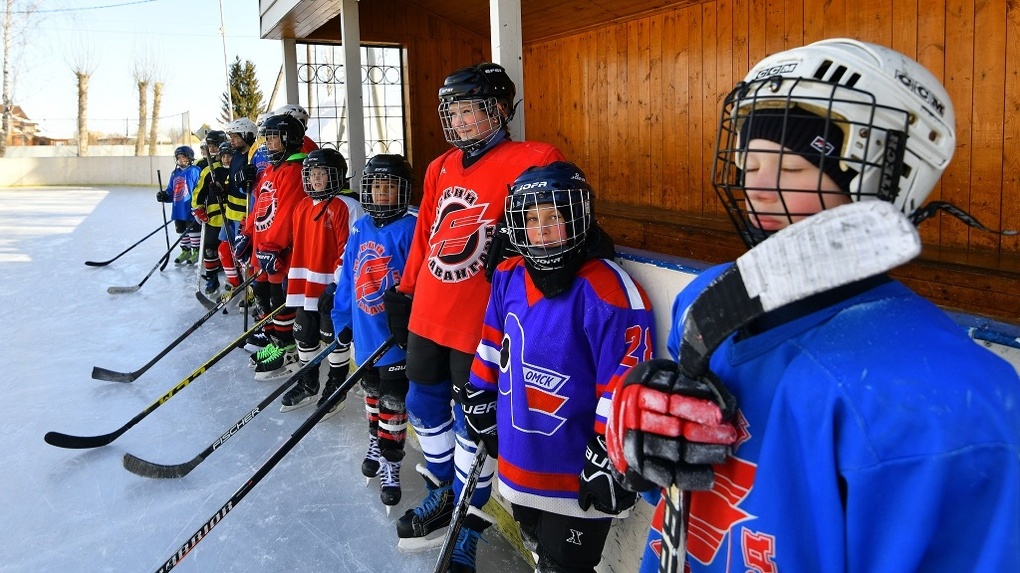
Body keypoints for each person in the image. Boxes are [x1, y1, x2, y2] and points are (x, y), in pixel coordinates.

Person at [605, 38, 1020, 573]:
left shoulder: (953, 399)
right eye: (749, 165)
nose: (759, 188)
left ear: (881, 178)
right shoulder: (706, 299)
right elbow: (682, 500)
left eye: (792, 168)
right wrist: (643, 442)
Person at [383, 62, 566, 566]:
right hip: (430, 312)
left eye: (470, 110)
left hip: (482, 322)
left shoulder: (535, 159)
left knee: (474, 425)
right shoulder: (440, 167)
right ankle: (444, 491)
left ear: (499, 110)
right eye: (454, 112)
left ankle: (468, 518)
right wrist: (405, 291)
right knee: (422, 402)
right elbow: (425, 237)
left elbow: (558, 230)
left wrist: (522, 247)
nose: (461, 122)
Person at [462, 161, 655, 572]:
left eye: (554, 217)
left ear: (578, 218)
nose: (542, 229)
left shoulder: (609, 289)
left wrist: (612, 451)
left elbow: (625, 383)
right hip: (520, 459)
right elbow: (493, 345)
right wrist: (479, 392)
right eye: (531, 220)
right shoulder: (508, 275)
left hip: (576, 470)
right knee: (539, 554)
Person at [331, 154, 417, 508]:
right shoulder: (360, 227)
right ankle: (374, 438)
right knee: (371, 392)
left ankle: (391, 461)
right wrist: (342, 319)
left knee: (394, 400)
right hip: (367, 336)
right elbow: (349, 279)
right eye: (376, 187)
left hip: (395, 339)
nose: (382, 193)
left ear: (404, 190)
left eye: (390, 187)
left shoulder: (411, 227)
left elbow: (420, 284)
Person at [273, 147, 364, 408]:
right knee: (304, 333)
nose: (314, 179)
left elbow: (351, 250)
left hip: (332, 288)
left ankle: (337, 385)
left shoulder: (347, 206)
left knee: (334, 338)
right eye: (310, 174)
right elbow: (297, 245)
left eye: (320, 174)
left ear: (336, 175)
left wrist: (337, 284)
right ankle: (308, 381)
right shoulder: (302, 205)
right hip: (304, 286)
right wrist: (290, 274)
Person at [235, 114, 308, 380]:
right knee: (262, 290)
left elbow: (287, 213)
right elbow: (260, 206)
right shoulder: (271, 170)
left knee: (280, 297)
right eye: (268, 137)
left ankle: (286, 347)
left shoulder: (293, 171)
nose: (269, 143)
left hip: (279, 250)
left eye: (275, 137)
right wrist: (247, 234)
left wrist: (273, 246)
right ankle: (273, 337)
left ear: (290, 139)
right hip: (263, 246)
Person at [217, 117, 258, 295]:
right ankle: (235, 283)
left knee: (244, 257)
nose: (231, 140)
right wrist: (220, 189)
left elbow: (254, 188)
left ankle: (251, 291)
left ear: (247, 136)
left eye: (235, 136)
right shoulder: (235, 158)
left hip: (243, 217)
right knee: (224, 249)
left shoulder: (253, 157)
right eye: (231, 136)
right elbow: (231, 181)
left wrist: (245, 183)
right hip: (230, 214)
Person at [191, 131, 230, 295]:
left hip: (230, 218)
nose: (212, 149)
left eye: (215, 146)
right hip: (213, 219)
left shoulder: (234, 167)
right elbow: (197, 193)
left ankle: (232, 279)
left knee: (230, 252)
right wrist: (198, 209)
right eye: (210, 146)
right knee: (210, 250)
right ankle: (212, 278)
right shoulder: (207, 170)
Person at [156, 145, 202, 264]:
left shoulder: (195, 170)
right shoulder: (174, 173)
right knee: (181, 230)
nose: (181, 160)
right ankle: (185, 251)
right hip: (178, 208)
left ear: (190, 158)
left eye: (184, 157)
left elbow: (200, 188)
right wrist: (164, 195)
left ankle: (196, 251)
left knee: (192, 231)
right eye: (179, 157)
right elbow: (171, 190)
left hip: (190, 207)